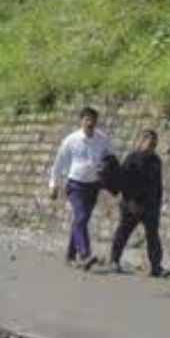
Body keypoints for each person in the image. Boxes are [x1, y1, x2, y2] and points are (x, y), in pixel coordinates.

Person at [48, 107, 114, 269]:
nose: (90, 123)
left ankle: (70, 256)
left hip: (93, 185)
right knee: (82, 217)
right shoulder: (71, 140)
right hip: (75, 185)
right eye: (87, 120)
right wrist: (53, 184)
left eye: (93, 120)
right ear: (81, 121)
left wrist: (108, 174)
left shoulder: (102, 139)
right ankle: (85, 254)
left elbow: (111, 159)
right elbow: (59, 163)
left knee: (81, 220)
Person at [108, 129, 166, 277]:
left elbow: (157, 185)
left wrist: (157, 204)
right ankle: (114, 260)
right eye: (150, 144)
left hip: (150, 206)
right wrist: (130, 202)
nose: (152, 147)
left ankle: (156, 267)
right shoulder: (132, 159)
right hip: (132, 205)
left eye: (154, 144)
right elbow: (123, 182)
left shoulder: (156, 161)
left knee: (153, 236)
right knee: (123, 232)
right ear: (141, 142)